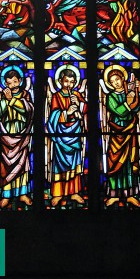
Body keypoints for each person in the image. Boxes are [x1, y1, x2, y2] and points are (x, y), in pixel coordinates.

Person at [0, 68, 34, 208]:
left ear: (20, 81)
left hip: (22, 135)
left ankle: (23, 193)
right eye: (10, 83)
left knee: (22, 165)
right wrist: (1, 101)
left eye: (16, 81)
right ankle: (6, 194)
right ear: (5, 83)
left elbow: (27, 109)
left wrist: (11, 100)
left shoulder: (25, 94)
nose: (13, 85)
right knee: (6, 166)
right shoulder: (2, 95)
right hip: (6, 134)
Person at [47, 68, 87, 206]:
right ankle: (58, 193)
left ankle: (74, 192)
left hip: (75, 134)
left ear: (75, 82)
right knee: (59, 165)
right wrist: (66, 112)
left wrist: (79, 104)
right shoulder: (56, 96)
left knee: (75, 164)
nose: (68, 85)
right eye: (66, 81)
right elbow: (53, 116)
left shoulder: (76, 94)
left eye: (71, 82)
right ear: (60, 81)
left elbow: (87, 110)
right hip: (61, 135)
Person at [103, 66, 140, 207]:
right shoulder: (110, 97)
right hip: (117, 132)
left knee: (129, 164)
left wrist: (137, 92)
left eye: (117, 79)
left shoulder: (128, 92)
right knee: (115, 162)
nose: (116, 83)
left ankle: (130, 194)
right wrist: (128, 102)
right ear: (110, 84)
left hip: (130, 131)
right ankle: (114, 193)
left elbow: (137, 107)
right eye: (112, 81)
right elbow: (119, 112)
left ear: (122, 79)